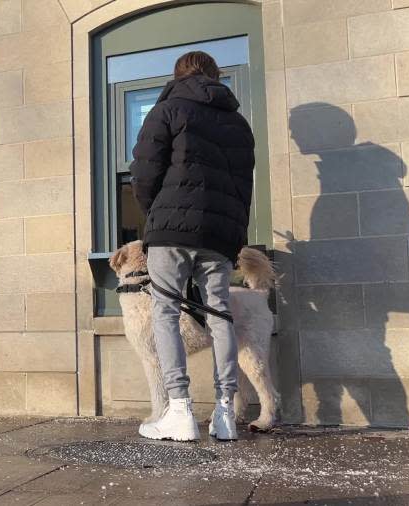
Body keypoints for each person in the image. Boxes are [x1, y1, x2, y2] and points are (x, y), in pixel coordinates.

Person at [130, 51, 255, 441]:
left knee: (165, 312)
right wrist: (236, 237)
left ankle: (179, 410)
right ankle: (224, 414)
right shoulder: (238, 122)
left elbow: (144, 170)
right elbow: (243, 187)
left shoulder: (167, 109)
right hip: (219, 235)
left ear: (178, 75)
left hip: (171, 231)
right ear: (216, 76)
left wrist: (156, 214)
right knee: (220, 315)